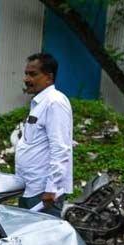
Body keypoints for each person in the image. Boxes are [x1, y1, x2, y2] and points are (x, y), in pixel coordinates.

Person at [15, 52, 73, 218]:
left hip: (43, 193)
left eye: (33, 74)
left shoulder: (55, 102)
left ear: (49, 77)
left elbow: (60, 148)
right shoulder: (39, 103)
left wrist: (51, 188)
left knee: (43, 241)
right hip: (30, 188)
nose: (26, 79)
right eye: (26, 74)